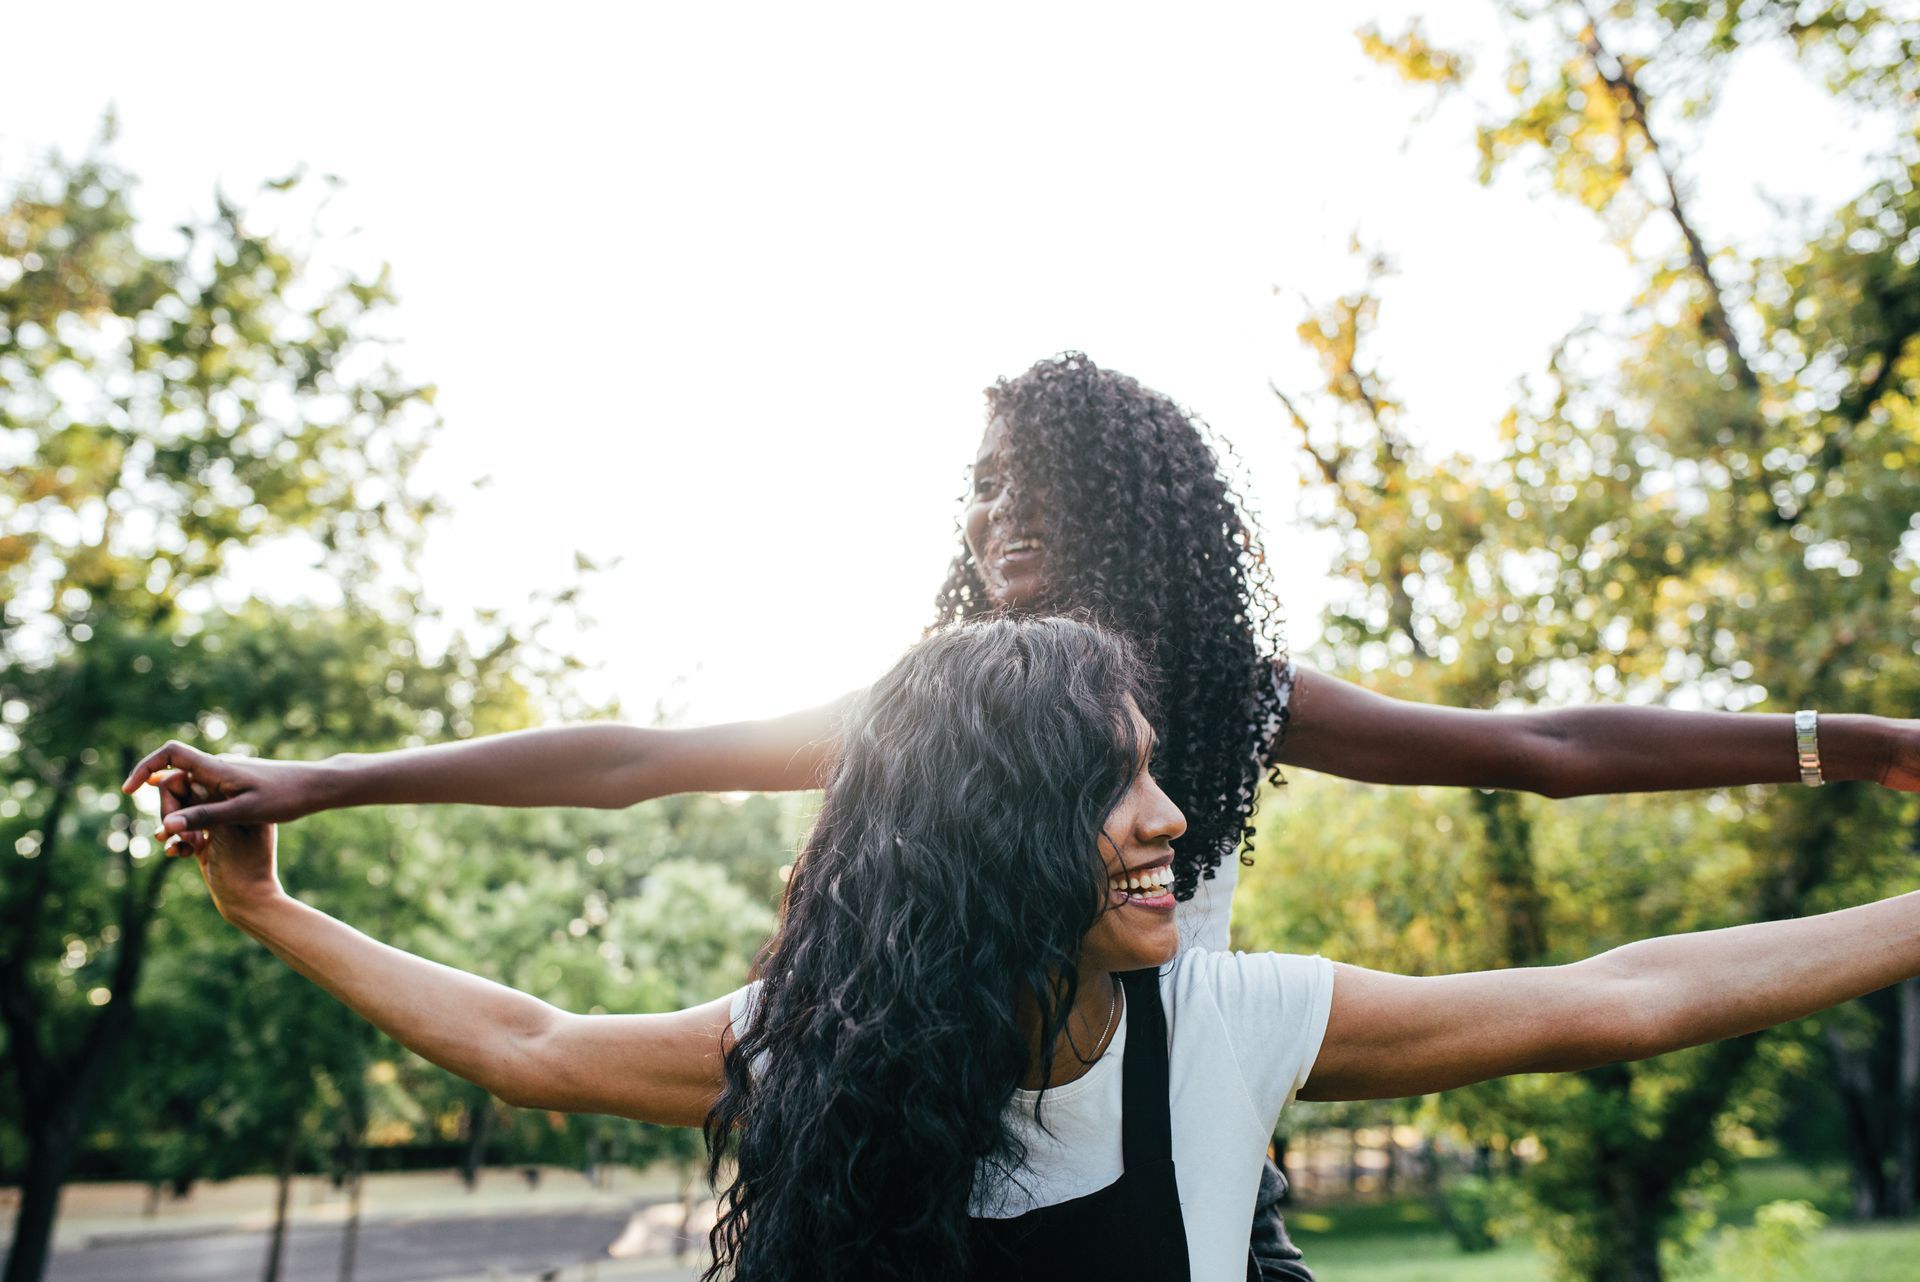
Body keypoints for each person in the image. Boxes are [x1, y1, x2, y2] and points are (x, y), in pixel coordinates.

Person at [125, 354, 1920, 1279]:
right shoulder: (939, 725)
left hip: (1175, 1109)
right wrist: (321, 797)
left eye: (1026, 485)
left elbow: (1555, 784)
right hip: (927, 1085)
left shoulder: (1232, 748)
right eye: (976, 490)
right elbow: (626, 776)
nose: (993, 520)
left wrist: (1852, 741)